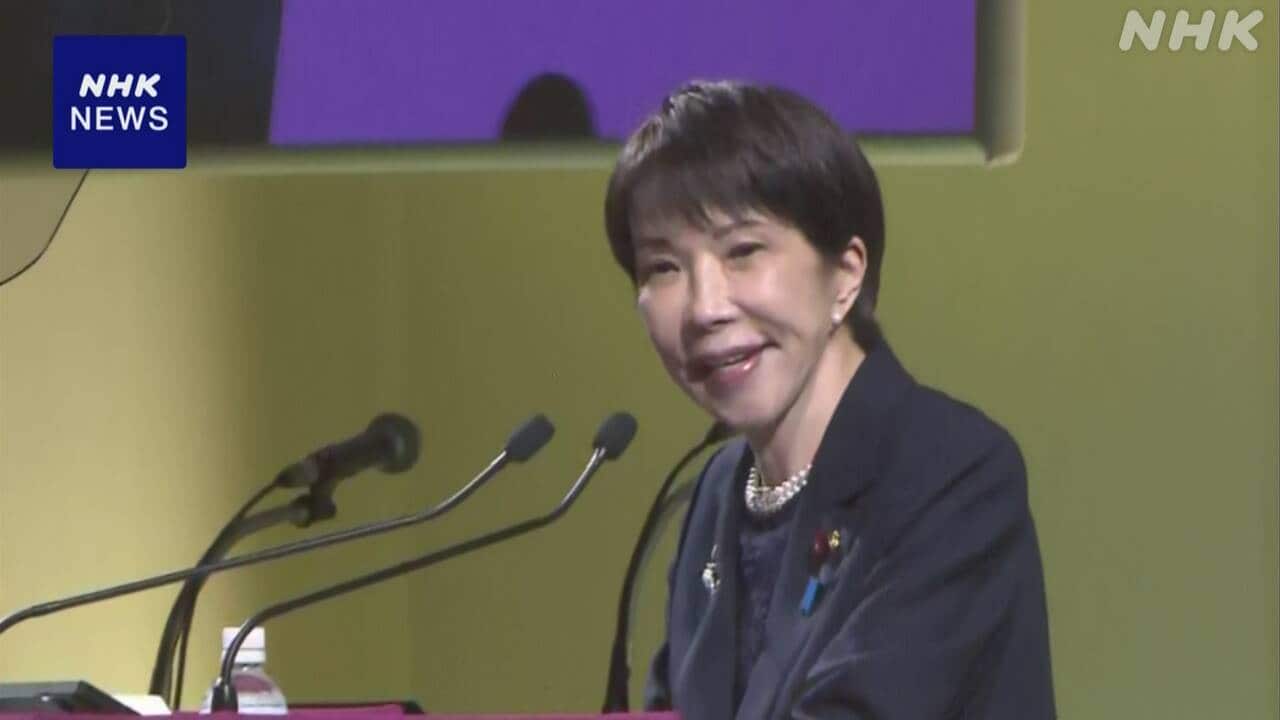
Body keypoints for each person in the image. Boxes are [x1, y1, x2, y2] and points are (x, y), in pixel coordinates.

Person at [603, 80, 1056, 719]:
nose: (704, 308)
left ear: (845, 273)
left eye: (743, 251)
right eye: (663, 267)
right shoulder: (715, 494)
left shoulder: (952, 473)